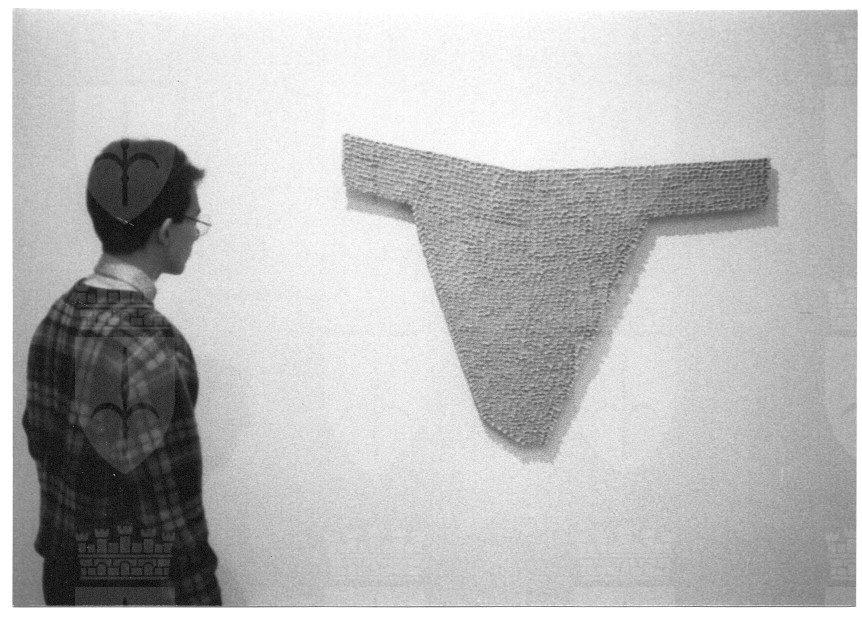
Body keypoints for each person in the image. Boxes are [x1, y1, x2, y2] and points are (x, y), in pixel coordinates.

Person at [22, 138, 221, 605]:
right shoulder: (154, 348)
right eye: (194, 221)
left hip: (62, 575)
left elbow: (44, 443)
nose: (196, 234)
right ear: (166, 231)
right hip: (132, 591)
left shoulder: (57, 316)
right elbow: (174, 519)